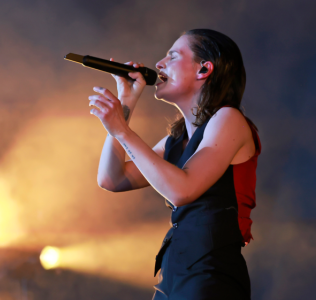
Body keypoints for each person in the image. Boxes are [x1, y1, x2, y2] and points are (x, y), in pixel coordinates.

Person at [88, 29, 260, 300]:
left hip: (210, 276)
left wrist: (122, 131)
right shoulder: (175, 141)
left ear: (204, 69)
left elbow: (182, 189)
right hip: (175, 275)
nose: (158, 64)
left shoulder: (229, 119)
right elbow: (112, 179)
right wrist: (126, 103)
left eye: (173, 56)